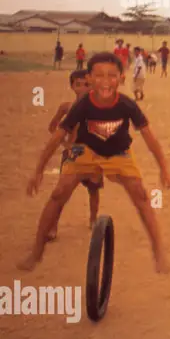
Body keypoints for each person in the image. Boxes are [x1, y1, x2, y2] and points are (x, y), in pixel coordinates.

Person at [22, 51, 170, 273]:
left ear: (121, 78)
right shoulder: (82, 106)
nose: (105, 82)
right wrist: (38, 171)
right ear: (90, 79)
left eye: (112, 75)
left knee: (141, 195)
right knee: (58, 193)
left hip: (119, 153)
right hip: (86, 151)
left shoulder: (127, 105)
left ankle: (159, 252)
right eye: (99, 76)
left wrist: (164, 169)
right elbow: (56, 137)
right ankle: (36, 252)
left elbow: (150, 137)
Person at [45, 69, 103, 239]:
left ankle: (93, 220)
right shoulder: (66, 107)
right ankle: (53, 226)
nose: (83, 89)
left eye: (86, 85)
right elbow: (52, 127)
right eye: (78, 85)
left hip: (91, 154)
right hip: (72, 153)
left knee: (93, 189)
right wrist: (65, 143)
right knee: (61, 192)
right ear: (71, 87)